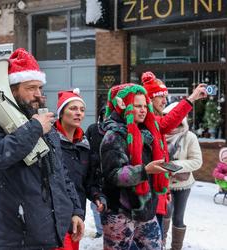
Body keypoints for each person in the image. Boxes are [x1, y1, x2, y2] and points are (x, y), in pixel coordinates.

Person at [0, 48, 84, 249]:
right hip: (20, 237)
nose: (38, 94)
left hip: (52, 232)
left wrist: (75, 211)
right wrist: (34, 128)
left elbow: (61, 174)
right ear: (13, 91)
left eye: (40, 88)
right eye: (30, 88)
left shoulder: (44, 123)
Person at [100, 83, 169, 250]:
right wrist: (145, 171)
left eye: (145, 105)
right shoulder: (114, 136)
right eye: (138, 106)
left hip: (146, 211)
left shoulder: (147, 132)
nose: (143, 110)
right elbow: (114, 175)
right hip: (120, 213)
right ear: (124, 105)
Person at [141, 71, 207, 240]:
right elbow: (169, 122)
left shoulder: (185, 135)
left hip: (165, 190)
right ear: (149, 99)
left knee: (174, 221)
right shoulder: (148, 122)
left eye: (166, 96)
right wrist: (191, 98)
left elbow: (196, 161)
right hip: (148, 197)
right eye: (160, 96)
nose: (165, 101)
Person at [53, 89, 105, 249]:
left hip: (77, 216)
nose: (78, 113)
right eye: (73, 109)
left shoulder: (84, 145)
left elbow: (88, 181)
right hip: (54, 217)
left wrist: (96, 195)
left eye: (82, 110)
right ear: (61, 113)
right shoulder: (49, 142)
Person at [162, 102, 203, 250]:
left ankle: (176, 248)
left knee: (178, 218)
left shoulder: (189, 137)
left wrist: (172, 166)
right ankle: (159, 245)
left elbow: (197, 161)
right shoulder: (159, 134)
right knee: (164, 216)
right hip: (162, 183)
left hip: (182, 185)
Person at [85, 106, 106, 239]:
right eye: (104, 114)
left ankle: (108, 228)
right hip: (94, 172)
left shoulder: (116, 130)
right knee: (96, 203)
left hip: (110, 172)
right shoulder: (93, 129)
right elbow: (84, 144)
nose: (106, 117)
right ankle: (100, 230)